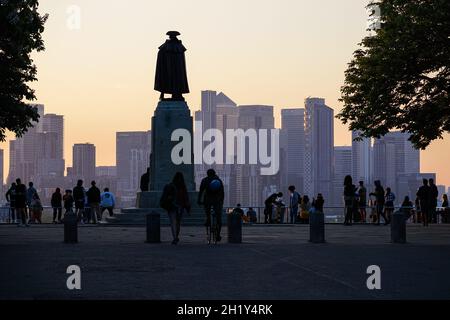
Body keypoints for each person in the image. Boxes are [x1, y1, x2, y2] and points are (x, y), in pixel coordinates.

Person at [161, 172, 191, 245]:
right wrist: (187, 207)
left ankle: (175, 237)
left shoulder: (170, 186)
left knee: (173, 222)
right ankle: (176, 236)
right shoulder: (183, 188)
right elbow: (186, 198)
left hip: (172, 206)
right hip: (180, 207)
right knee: (178, 222)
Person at [198, 169, 224, 242]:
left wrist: (199, 200)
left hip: (208, 200)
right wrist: (221, 201)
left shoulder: (204, 180)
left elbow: (201, 191)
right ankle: (218, 234)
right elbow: (222, 192)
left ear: (207, 174)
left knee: (207, 212)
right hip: (217, 201)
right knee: (219, 218)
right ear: (214, 173)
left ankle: (208, 219)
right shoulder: (218, 180)